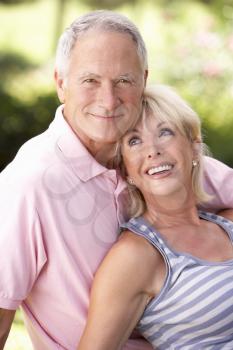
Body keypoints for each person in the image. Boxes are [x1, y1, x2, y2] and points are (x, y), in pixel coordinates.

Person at [0, 10, 232, 350]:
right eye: (90, 80)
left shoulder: (154, 158)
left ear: (143, 81)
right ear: (61, 83)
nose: (108, 100)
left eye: (124, 80)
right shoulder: (28, 185)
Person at [78, 84, 233, 350]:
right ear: (125, 169)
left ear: (194, 146)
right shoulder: (134, 256)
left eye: (165, 132)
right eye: (134, 141)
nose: (152, 150)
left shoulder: (227, 223)